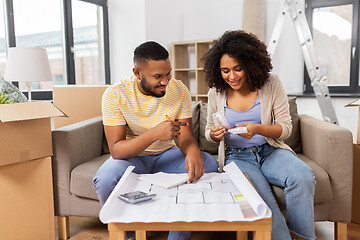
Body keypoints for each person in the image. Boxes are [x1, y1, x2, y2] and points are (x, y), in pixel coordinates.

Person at [93, 41, 218, 240]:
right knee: (105, 178)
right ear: (137, 73)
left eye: (168, 74)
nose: (165, 81)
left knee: (208, 164)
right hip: (131, 159)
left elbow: (185, 137)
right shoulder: (115, 94)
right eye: (157, 76)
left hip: (167, 156)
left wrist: (193, 149)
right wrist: (153, 134)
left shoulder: (179, 90)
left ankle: (178, 237)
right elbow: (116, 150)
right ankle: (128, 233)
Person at [202, 30, 316, 240]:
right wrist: (215, 135)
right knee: (261, 200)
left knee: (303, 176)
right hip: (237, 157)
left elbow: (286, 128)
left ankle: (302, 237)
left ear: (250, 64)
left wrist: (258, 129)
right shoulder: (215, 92)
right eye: (225, 71)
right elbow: (209, 131)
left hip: (271, 150)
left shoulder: (271, 84)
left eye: (238, 69)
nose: (232, 76)